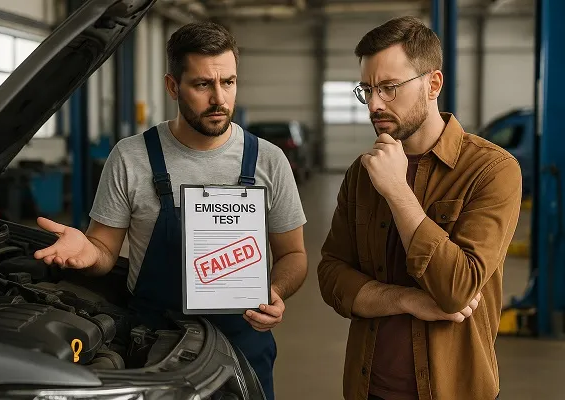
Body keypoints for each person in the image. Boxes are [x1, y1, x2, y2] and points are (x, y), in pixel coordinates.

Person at [33, 22, 308, 400]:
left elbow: (293, 254)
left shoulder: (269, 161)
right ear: (172, 86)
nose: (219, 99)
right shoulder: (131, 157)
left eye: (228, 82)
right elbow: (104, 251)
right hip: (154, 343)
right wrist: (89, 252)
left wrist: (275, 291)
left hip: (244, 342)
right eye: (202, 85)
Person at [317, 16, 521, 400]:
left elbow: (457, 289)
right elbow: (331, 276)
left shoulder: (492, 170)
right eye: (367, 89)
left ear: (433, 84)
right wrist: (407, 299)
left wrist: (397, 191)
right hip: (367, 389)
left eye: (390, 88)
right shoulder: (361, 174)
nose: (375, 104)